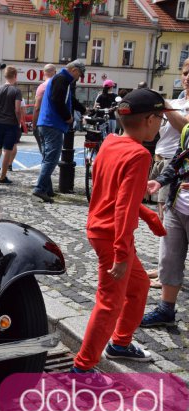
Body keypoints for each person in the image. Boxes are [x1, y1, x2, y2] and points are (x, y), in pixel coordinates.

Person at [70, 89, 171, 383]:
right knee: (109, 302)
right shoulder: (140, 154)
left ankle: (120, 344)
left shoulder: (110, 143)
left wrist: (150, 216)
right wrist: (122, 253)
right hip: (112, 236)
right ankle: (82, 369)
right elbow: (124, 207)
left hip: (101, 229)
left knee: (139, 286)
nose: (161, 124)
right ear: (150, 119)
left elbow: (114, 196)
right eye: (161, 119)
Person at [140, 58, 189, 327]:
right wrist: (160, 182)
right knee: (170, 255)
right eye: (185, 72)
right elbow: (181, 158)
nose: (188, 77)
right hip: (178, 199)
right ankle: (166, 310)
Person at [32, 60, 87, 203]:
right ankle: (39, 189)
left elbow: (69, 99)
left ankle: (47, 190)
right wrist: (68, 117)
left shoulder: (60, 79)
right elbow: (58, 100)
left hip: (45, 123)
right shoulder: (62, 79)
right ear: (74, 70)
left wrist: (83, 109)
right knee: (52, 158)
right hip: (53, 124)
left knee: (47, 158)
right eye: (79, 74)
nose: (78, 78)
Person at [0, 66, 22, 184]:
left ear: (5, 76)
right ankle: (3, 177)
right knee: (7, 150)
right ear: (15, 75)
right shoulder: (16, 91)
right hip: (11, 124)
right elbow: (17, 110)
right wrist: (18, 122)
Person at [32, 64, 57, 155]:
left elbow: (37, 107)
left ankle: (45, 168)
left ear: (43, 73)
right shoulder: (58, 86)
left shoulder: (42, 87)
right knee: (53, 150)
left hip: (43, 122)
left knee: (44, 150)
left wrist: (34, 124)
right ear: (55, 72)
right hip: (56, 123)